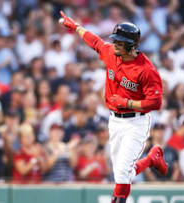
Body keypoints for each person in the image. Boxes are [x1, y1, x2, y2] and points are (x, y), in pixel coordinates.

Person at [59, 11, 167, 203]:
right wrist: (76, 27)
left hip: (136, 122)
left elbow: (155, 102)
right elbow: (96, 42)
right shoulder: (111, 53)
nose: (114, 44)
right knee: (121, 172)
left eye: (119, 41)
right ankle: (152, 159)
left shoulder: (146, 70)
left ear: (130, 45)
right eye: (115, 40)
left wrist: (128, 103)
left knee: (123, 171)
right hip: (114, 121)